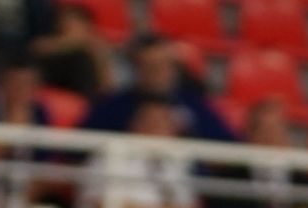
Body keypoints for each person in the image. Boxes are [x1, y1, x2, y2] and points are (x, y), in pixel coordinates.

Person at [81, 34, 233, 141]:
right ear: (135, 69)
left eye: (164, 65)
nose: (157, 73)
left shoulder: (194, 105)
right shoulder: (111, 106)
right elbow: (80, 148)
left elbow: (227, 150)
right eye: (148, 66)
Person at [31, 2, 114, 99]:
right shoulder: (47, 45)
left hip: (89, 98)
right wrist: (74, 43)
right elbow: (37, 47)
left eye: (72, 22)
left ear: (87, 25)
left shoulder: (98, 47)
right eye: (62, 21)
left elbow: (107, 88)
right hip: (55, 95)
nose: (64, 26)